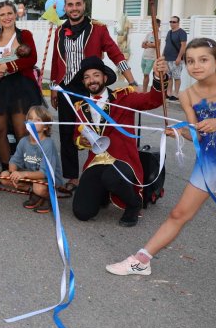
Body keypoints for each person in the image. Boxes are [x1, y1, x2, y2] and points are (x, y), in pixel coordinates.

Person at [106, 38, 216, 299]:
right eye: (191, 61)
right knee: (179, 213)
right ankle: (141, 260)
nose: (196, 66)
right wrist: (179, 131)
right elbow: (197, 133)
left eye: (203, 60)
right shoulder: (187, 95)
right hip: (210, 161)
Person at [50, 0, 137, 191]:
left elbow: (116, 54)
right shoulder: (59, 31)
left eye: (77, 4)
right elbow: (56, 61)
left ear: (84, 5)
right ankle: (72, 178)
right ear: (65, 8)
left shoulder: (97, 29)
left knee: (97, 132)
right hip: (66, 88)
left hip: (90, 86)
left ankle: (98, 175)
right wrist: (55, 87)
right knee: (66, 132)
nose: (74, 8)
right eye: (70, 5)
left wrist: (131, 81)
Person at [69, 56, 166, 227]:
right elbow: (76, 135)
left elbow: (152, 100)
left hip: (122, 160)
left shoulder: (124, 97)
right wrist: (81, 140)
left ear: (105, 78)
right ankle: (103, 194)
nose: (92, 80)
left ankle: (134, 204)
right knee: (82, 212)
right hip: (96, 162)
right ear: (84, 82)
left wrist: (158, 78)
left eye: (96, 75)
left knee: (111, 177)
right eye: (87, 77)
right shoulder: (80, 106)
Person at [0, 1, 44, 171]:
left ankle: (23, 169)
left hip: (20, 88)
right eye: (2, 14)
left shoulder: (25, 35)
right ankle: (7, 168)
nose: (7, 17)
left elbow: (31, 58)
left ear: (16, 15)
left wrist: (7, 67)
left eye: (10, 13)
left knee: (21, 131)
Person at [0, 105, 62, 214]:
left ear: (45, 127)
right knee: (4, 176)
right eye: (30, 119)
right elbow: (14, 161)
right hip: (32, 176)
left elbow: (44, 173)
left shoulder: (48, 144)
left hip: (47, 178)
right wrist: (13, 172)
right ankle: (34, 192)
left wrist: (23, 175)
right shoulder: (24, 141)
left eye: (38, 120)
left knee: (38, 187)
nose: (33, 122)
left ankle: (48, 197)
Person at [163, 16, 187, 101]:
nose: (172, 23)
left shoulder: (182, 32)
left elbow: (183, 46)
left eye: (174, 22)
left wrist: (179, 57)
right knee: (169, 77)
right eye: (171, 21)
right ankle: (169, 93)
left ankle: (176, 94)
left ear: (178, 23)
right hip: (167, 58)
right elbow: (167, 45)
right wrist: (163, 56)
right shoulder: (169, 32)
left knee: (176, 77)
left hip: (176, 58)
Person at [140, 19, 161, 92]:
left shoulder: (159, 34)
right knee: (145, 75)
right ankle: (144, 91)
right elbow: (142, 45)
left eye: (155, 25)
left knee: (146, 74)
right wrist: (150, 44)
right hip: (144, 57)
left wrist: (147, 44)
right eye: (153, 24)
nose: (153, 26)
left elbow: (157, 45)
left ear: (159, 25)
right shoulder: (148, 34)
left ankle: (145, 91)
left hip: (152, 58)